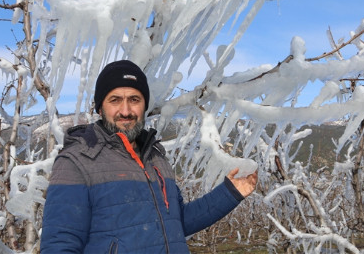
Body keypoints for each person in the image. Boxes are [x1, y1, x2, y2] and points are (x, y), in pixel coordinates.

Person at [40, 60, 258, 253]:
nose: (125, 111)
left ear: (144, 106)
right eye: (115, 100)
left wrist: (230, 193)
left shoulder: (155, 158)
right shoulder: (77, 161)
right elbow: (60, 245)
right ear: (100, 108)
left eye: (134, 99)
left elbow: (177, 222)